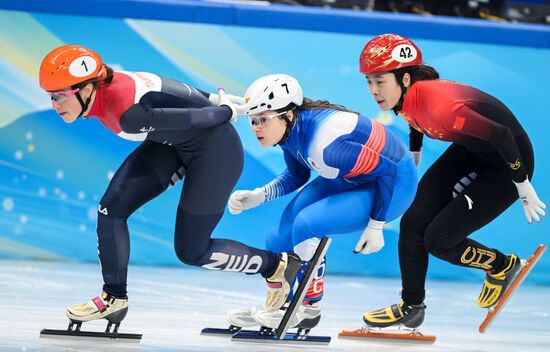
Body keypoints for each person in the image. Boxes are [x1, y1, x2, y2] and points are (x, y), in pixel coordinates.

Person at [38, 45, 302, 325]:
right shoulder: (109, 85)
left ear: (88, 87)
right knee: (110, 209)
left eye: (60, 96)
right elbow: (171, 88)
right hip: (172, 144)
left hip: (215, 151)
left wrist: (223, 110)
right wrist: (212, 97)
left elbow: (197, 118)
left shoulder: (126, 112)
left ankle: (276, 266)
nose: (54, 105)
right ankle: (114, 299)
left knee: (192, 251)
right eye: (50, 97)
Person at [358, 34, 546, 329]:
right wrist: (415, 158)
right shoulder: (404, 97)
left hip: (507, 162)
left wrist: (522, 185)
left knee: (439, 240)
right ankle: (412, 306)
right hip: (471, 151)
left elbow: (501, 136)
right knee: (413, 220)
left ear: (405, 79)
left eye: (379, 81)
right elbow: (412, 118)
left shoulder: (443, 107)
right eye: (369, 81)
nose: (373, 90)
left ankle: (501, 265)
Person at [225, 74, 418, 329]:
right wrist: (259, 196)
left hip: (393, 185)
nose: (256, 127)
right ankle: (279, 305)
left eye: (263, 119)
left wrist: (376, 225)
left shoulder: (327, 145)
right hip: (353, 175)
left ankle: (308, 308)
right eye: (252, 120)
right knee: (277, 237)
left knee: (308, 223)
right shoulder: (288, 131)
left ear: (289, 115)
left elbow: (389, 170)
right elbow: (297, 175)